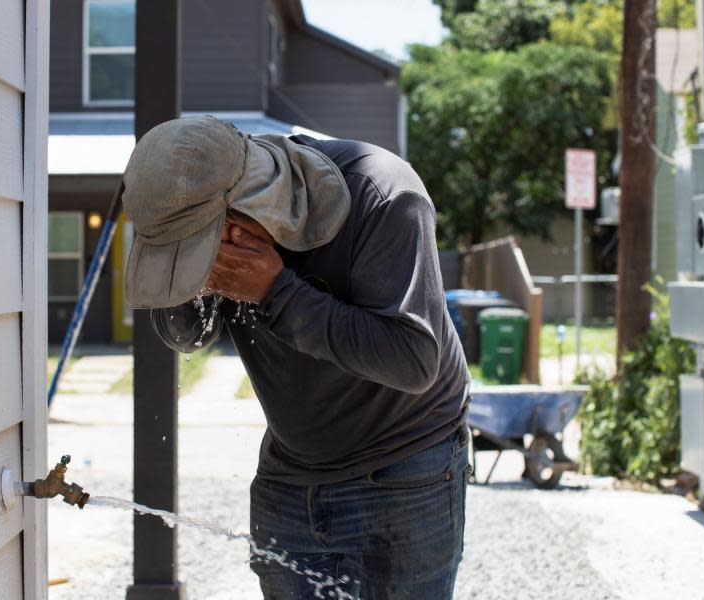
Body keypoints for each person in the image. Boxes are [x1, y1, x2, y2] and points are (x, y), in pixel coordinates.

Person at [122, 115, 471, 599]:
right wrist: (190, 282)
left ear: (250, 204)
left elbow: (411, 360)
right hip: (289, 472)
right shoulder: (205, 210)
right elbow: (187, 336)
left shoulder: (383, 194)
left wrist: (274, 291)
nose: (201, 259)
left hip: (405, 464)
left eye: (198, 244)